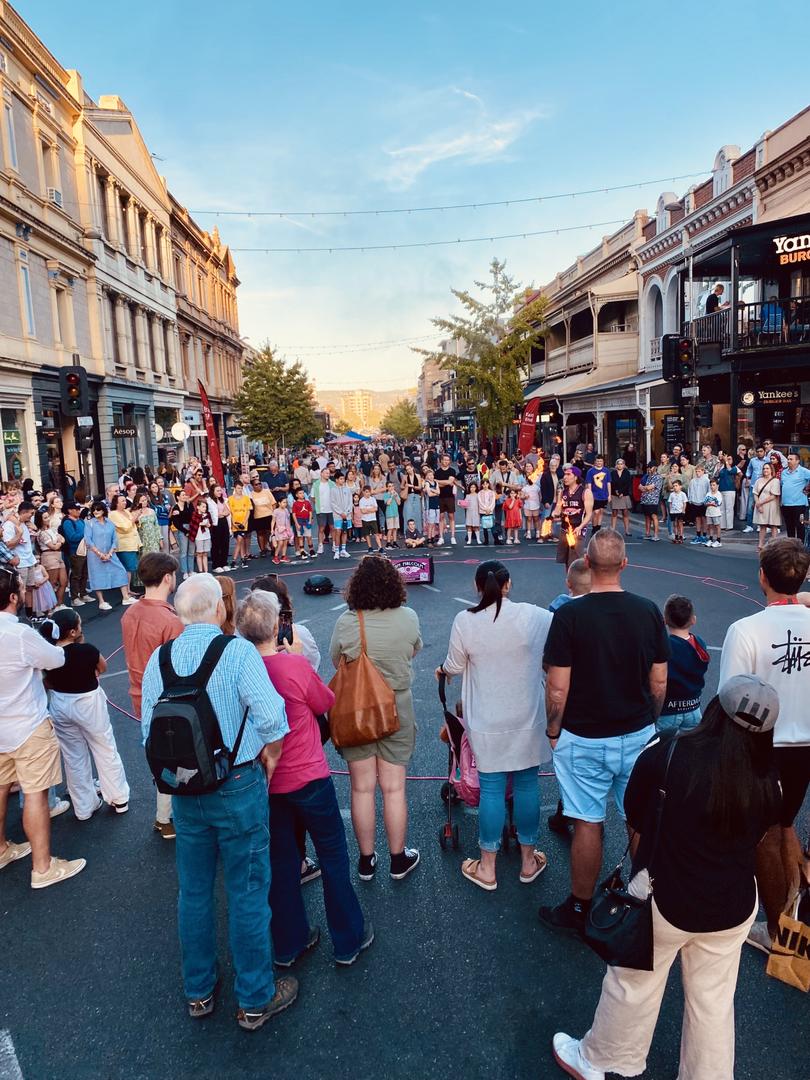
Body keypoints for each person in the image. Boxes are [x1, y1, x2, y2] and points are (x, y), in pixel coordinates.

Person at [552, 676, 782, 1080]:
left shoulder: (670, 750)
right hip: (734, 905)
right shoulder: (770, 782)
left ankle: (599, 1060)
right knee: (712, 1003)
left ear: (715, 710)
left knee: (633, 984)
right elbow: (762, 842)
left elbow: (636, 815)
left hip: (665, 894)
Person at [140, 574, 295, 1029]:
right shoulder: (237, 652)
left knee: (193, 892)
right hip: (238, 783)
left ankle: (199, 990)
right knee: (247, 892)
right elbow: (273, 719)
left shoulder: (160, 659)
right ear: (219, 610)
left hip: (186, 790)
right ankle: (254, 997)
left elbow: (147, 734)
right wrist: (268, 759)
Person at [540, 530, 670, 934]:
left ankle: (580, 908)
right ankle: (646, 899)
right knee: (639, 818)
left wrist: (553, 730)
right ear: (624, 564)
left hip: (584, 735)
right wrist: (650, 720)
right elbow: (660, 681)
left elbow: (557, 685)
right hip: (636, 732)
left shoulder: (569, 616)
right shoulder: (648, 611)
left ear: (588, 564)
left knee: (587, 821)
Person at [236, 590, 373, 966]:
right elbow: (325, 702)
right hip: (309, 775)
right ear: (277, 626)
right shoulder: (292, 667)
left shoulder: (239, 670)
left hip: (269, 781)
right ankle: (347, 939)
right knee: (331, 855)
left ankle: (289, 942)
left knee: (282, 862)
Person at [719, 538, 810, 954]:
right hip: (804, 741)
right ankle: (790, 917)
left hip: (765, 745)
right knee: (786, 825)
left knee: (765, 837)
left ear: (761, 577)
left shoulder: (746, 630)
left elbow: (731, 699)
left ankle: (777, 933)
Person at [439, 561, 552, 889]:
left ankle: (487, 867)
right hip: (528, 717)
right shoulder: (534, 616)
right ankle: (529, 861)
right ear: (509, 584)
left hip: (487, 719)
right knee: (529, 785)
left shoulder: (466, 620)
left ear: (478, 587)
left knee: (491, 788)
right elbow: (563, 632)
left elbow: (455, 666)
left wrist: (441, 670)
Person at [329, 556, 422, 882]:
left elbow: (336, 659)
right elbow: (413, 650)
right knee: (394, 788)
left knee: (362, 789)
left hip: (357, 710)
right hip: (397, 708)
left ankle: (367, 861)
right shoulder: (408, 617)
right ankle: (399, 858)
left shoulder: (347, 621)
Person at [0, 567, 85, 888]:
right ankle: (43, 866)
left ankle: (2, 848)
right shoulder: (19, 634)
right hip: (27, 723)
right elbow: (55, 659)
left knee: (1, 788)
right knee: (35, 793)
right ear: (12, 597)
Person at [39, 608, 130, 819]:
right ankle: (118, 798)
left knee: (73, 755)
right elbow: (103, 667)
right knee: (104, 747)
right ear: (73, 631)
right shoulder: (87, 650)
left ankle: (84, 807)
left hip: (60, 703)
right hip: (88, 702)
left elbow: (46, 681)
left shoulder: (49, 654)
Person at [121, 552, 183, 840]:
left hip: (139, 691)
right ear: (168, 577)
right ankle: (166, 816)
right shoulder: (169, 620)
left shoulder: (130, 612)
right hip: (163, 695)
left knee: (159, 751)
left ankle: (165, 814)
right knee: (174, 755)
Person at [659, 595, 710, 733]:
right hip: (693, 708)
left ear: (665, 620)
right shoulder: (700, 644)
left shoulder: (666, 647)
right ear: (693, 620)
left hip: (669, 709)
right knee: (690, 748)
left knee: (661, 747)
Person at [84, 502, 135, 611]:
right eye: (94, 510)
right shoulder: (90, 523)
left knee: (121, 571)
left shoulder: (110, 523)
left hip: (110, 553)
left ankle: (126, 597)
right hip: (94, 555)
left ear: (103, 510)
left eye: (98, 509)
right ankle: (101, 601)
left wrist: (110, 553)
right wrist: (100, 554)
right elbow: (88, 540)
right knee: (97, 576)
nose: (96, 512)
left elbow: (114, 539)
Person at [553, 464, 593, 567]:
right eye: (564, 474)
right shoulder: (562, 492)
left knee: (576, 561)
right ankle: (569, 581)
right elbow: (557, 509)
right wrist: (554, 514)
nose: (565, 477)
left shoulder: (585, 492)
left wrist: (580, 527)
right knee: (566, 560)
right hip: (564, 529)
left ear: (575, 477)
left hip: (578, 529)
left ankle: (579, 582)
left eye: (568, 474)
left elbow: (589, 515)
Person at [2, 500, 37, 616]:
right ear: (24, 512)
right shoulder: (9, 525)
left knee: (30, 588)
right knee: (20, 590)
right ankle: (18, 615)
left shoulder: (24, 523)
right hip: (19, 563)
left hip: (29, 560)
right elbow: (7, 545)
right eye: (31, 513)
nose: (32, 516)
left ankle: (30, 614)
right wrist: (19, 534)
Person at [109, 494, 142, 591]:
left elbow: (134, 524)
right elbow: (125, 528)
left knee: (130, 568)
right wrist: (134, 518)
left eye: (125, 500)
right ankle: (126, 591)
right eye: (122, 501)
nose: (125, 502)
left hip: (133, 543)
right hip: (124, 544)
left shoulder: (126, 512)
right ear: (116, 503)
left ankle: (128, 590)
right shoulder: (113, 514)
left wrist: (135, 519)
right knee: (127, 568)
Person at [35, 508, 67, 607]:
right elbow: (54, 546)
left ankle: (59, 604)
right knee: (52, 583)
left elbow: (62, 539)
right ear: (40, 520)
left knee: (63, 582)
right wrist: (60, 542)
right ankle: (51, 606)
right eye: (45, 518)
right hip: (49, 556)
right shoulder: (41, 533)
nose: (48, 519)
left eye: (48, 516)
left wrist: (59, 542)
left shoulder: (51, 529)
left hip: (58, 554)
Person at [779, 451, 810, 540]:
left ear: (797, 461)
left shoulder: (804, 471)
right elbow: (782, 485)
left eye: (791, 459)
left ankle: (800, 549)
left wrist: (808, 488)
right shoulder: (784, 472)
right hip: (786, 505)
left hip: (799, 505)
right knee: (789, 528)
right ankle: (791, 548)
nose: (788, 461)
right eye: (788, 459)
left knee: (800, 527)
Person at [752, 461, 782, 550]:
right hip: (761, 506)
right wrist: (758, 504)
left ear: (771, 470)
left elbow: (773, 495)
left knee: (773, 526)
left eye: (767, 468)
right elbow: (755, 493)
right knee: (762, 526)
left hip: (772, 506)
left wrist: (760, 503)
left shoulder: (775, 481)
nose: (765, 470)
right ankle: (760, 545)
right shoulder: (759, 480)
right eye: (764, 468)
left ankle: (774, 546)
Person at [434, 454, 459, 546]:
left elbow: (450, 481)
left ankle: (453, 536)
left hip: (449, 496)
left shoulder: (452, 470)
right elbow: (438, 485)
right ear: (441, 461)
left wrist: (439, 481)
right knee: (441, 517)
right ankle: (441, 537)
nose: (446, 462)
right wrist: (445, 482)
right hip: (440, 496)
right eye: (444, 460)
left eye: (448, 460)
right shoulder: (437, 472)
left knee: (451, 516)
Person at [249, 475, 275, 558]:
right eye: (256, 484)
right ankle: (262, 550)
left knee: (270, 532)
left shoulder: (267, 491)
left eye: (259, 483)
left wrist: (274, 513)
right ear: (253, 486)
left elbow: (273, 503)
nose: (258, 485)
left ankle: (273, 548)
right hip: (258, 517)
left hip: (269, 515)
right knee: (260, 534)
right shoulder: (251, 495)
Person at [227, 480, 251, 569]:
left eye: (241, 488)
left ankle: (235, 560)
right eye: (238, 488)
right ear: (235, 488)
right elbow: (230, 512)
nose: (240, 490)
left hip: (243, 524)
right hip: (235, 524)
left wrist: (244, 522)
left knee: (240, 540)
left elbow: (248, 511)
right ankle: (241, 559)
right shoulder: (230, 499)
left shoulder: (246, 498)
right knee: (239, 541)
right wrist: (233, 522)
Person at [743, 445, 768, 532]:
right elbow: (749, 469)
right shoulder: (753, 460)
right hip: (753, 486)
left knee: (762, 505)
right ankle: (749, 526)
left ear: (764, 452)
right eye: (758, 451)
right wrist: (747, 478)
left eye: (761, 451)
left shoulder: (768, 460)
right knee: (750, 506)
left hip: (764, 486)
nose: (759, 453)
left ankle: (760, 525)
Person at [585, 455, 611, 534]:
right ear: (595, 462)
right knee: (596, 512)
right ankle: (594, 528)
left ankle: (598, 528)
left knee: (601, 511)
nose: (599, 463)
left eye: (601, 461)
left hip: (604, 494)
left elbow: (608, 483)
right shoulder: (591, 471)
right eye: (598, 461)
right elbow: (589, 484)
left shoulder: (606, 471)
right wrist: (590, 495)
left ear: (603, 462)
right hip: (594, 495)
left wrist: (609, 494)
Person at [209, 483, 231, 573]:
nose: (219, 492)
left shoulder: (224, 500)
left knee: (225, 543)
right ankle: (216, 564)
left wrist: (221, 514)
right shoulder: (209, 501)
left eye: (220, 490)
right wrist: (221, 514)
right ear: (213, 492)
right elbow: (213, 514)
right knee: (216, 545)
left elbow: (228, 512)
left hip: (224, 522)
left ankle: (224, 563)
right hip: (215, 524)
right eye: (217, 491)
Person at [609, 459, 633, 537]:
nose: (620, 465)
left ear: (624, 465)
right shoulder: (613, 473)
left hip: (624, 494)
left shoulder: (627, 473)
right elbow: (611, 483)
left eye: (621, 464)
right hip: (614, 494)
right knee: (614, 512)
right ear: (616, 465)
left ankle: (627, 530)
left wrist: (622, 492)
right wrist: (616, 491)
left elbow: (628, 483)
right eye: (618, 464)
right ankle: (613, 530)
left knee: (625, 512)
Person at [716, 453, 739, 531]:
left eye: (729, 459)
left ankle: (729, 526)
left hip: (730, 490)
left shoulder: (735, 468)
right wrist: (719, 467)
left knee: (729, 508)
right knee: (722, 508)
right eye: (727, 458)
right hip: (721, 489)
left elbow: (730, 470)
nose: (728, 460)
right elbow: (716, 475)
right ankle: (722, 525)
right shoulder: (722, 469)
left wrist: (726, 461)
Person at [358, 485, 383, 552]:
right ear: (363, 492)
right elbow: (363, 511)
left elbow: (376, 509)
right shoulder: (361, 501)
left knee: (376, 533)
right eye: (366, 492)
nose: (368, 493)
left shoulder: (373, 499)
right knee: (367, 534)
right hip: (365, 520)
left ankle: (380, 547)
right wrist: (371, 509)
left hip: (373, 519)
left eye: (369, 492)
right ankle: (370, 547)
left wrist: (367, 510)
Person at [667, 479, 687, 544]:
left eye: (676, 486)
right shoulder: (672, 494)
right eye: (674, 486)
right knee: (675, 524)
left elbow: (684, 503)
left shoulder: (683, 494)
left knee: (680, 524)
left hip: (680, 511)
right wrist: (670, 510)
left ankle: (681, 536)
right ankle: (676, 536)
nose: (675, 487)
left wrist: (683, 510)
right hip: (673, 511)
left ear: (680, 486)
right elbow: (670, 503)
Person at [704, 478, 723, 547]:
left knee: (717, 526)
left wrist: (711, 503)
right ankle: (711, 539)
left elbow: (717, 503)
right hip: (709, 512)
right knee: (710, 526)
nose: (712, 486)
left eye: (714, 485)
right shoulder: (708, 494)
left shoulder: (719, 494)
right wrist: (710, 503)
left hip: (716, 513)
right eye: (711, 485)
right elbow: (705, 502)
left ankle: (718, 541)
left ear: (717, 485)